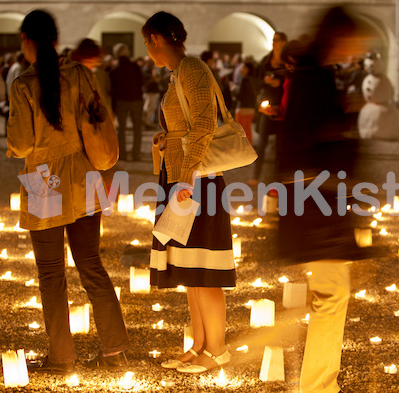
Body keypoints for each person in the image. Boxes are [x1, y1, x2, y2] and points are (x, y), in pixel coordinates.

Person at [6, 9, 129, 375]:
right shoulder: (80, 75)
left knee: (50, 274)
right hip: (84, 174)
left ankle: (62, 355)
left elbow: (21, 143)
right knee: (91, 264)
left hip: (44, 179)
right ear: (55, 40)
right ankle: (116, 350)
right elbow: (100, 120)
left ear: (26, 41)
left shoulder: (23, 84)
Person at [276, 8, 373, 392]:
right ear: (338, 36)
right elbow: (304, 142)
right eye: (354, 41)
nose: (356, 49)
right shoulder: (313, 78)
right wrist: (342, 130)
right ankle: (318, 385)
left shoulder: (315, 74)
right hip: (317, 201)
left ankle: (320, 382)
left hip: (318, 199)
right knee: (332, 295)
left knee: (332, 294)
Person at [143, 11, 235, 374]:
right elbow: (186, 128)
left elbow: (202, 127)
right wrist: (167, 144)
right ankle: (199, 344)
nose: (148, 48)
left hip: (197, 182)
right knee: (188, 267)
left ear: (159, 39)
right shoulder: (176, 75)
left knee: (204, 266)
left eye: (149, 40)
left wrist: (184, 177)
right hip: (182, 179)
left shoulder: (192, 69)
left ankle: (217, 348)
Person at [249, 31, 288, 185]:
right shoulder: (266, 61)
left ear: (284, 42)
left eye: (278, 40)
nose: (275, 43)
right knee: (262, 141)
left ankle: (279, 177)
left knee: (280, 144)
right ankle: (256, 176)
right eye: (274, 40)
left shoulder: (287, 60)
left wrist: (280, 82)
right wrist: (265, 81)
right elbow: (257, 82)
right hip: (268, 104)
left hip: (282, 105)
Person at [110, 43, 144, 161]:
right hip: (136, 99)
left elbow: (112, 88)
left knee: (121, 129)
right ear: (126, 52)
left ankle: (122, 154)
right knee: (137, 128)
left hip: (121, 101)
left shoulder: (114, 69)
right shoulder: (134, 66)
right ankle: (136, 154)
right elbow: (141, 82)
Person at [232, 61, 257, 143]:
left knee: (241, 133)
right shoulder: (253, 80)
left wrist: (233, 90)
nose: (240, 70)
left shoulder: (244, 80)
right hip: (251, 110)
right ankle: (250, 152)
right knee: (248, 132)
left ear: (247, 69)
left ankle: (243, 153)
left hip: (242, 109)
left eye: (242, 67)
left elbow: (240, 95)